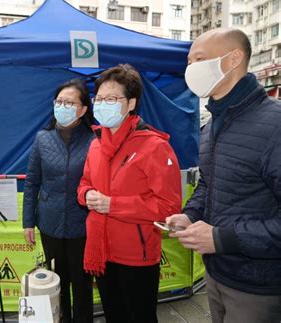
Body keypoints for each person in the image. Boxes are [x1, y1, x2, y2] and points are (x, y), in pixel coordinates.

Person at [166, 28, 281, 323]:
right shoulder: (212, 125)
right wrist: (190, 215)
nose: (191, 70)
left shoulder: (274, 126)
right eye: (188, 63)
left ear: (233, 59)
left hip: (258, 286)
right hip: (217, 274)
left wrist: (221, 238)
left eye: (199, 60)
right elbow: (209, 181)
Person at [78, 64, 182, 323]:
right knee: (114, 315)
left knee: (139, 317)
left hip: (137, 256)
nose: (103, 104)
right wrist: (86, 194)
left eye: (112, 99)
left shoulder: (154, 146)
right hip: (101, 250)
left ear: (131, 103)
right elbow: (83, 184)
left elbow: (168, 206)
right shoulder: (96, 144)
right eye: (99, 99)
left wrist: (113, 205)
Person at [23, 79, 95, 323]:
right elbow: (32, 182)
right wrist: (27, 222)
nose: (62, 106)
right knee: (57, 279)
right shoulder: (42, 139)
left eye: (69, 102)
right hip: (50, 222)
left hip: (83, 225)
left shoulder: (94, 141)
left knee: (82, 282)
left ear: (83, 109)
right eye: (59, 102)